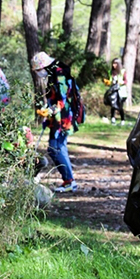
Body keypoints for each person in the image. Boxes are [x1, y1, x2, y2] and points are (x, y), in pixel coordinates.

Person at [33, 51, 78, 193]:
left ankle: (69, 181)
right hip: (58, 117)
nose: (38, 73)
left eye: (38, 70)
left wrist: (50, 111)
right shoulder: (53, 74)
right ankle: (68, 181)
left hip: (64, 118)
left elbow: (63, 99)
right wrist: (47, 111)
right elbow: (54, 98)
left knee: (55, 148)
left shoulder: (58, 74)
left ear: (43, 67)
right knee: (57, 148)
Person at [103, 57, 127, 125]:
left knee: (120, 106)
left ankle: (122, 120)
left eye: (115, 64)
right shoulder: (110, 72)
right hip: (113, 90)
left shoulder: (122, 71)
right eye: (113, 64)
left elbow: (125, 81)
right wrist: (108, 82)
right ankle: (113, 119)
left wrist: (120, 82)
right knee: (112, 104)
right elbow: (108, 80)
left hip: (121, 91)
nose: (114, 65)